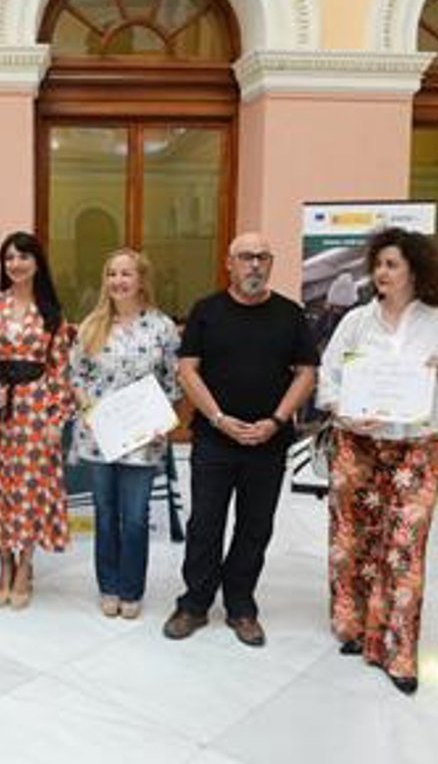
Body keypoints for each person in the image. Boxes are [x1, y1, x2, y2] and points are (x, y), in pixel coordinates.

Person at [317, 227, 438, 695]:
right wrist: (345, 410)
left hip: (418, 446)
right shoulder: (356, 322)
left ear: (415, 270)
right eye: (378, 264)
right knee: (353, 539)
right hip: (358, 445)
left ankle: (398, 650)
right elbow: (329, 377)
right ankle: (354, 626)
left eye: (392, 264)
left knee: (405, 543)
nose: (381, 273)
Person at [163, 233, 317, 646]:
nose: (255, 264)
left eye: (263, 257)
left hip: (269, 441)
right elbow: (187, 370)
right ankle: (194, 603)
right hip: (214, 439)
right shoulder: (206, 311)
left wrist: (276, 420)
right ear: (229, 264)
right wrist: (217, 418)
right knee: (205, 524)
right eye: (246, 257)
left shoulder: (290, 314)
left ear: (271, 263)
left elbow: (307, 373)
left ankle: (241, 605)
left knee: (255, 527)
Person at [70, 249, 180, 620]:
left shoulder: (162, 327)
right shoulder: (92, 325)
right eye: (112, 274)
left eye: (126, 274)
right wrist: (86, 408)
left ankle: (131, 589)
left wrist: (159, 420)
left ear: (141, 280)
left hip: (143, 440)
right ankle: (109, 587)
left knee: (135, 516)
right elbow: (76, 375)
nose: (118, 281)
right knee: (105, 513)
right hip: (99, 436)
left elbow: (173, 381)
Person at [0, 231, 74, 609]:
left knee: (31, 487)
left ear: (37, 263)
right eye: (9, 258)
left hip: (35, 407)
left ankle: (26, 563)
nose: (15, 264)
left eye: (23, 257)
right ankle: (4, 563)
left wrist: (56, 418)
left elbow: (60, 370)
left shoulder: (51, 312)